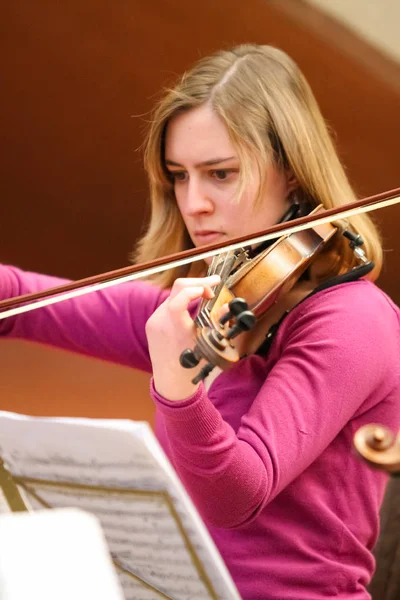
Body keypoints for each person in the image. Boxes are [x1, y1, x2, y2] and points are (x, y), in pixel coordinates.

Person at [1, 44, 399, 599]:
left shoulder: (351, 318)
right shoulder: (221, 305)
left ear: (290, 170)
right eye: (178, 176)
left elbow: (238, 495)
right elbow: (22, 301)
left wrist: (178, 386)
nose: (194, 203)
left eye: (220, 174)